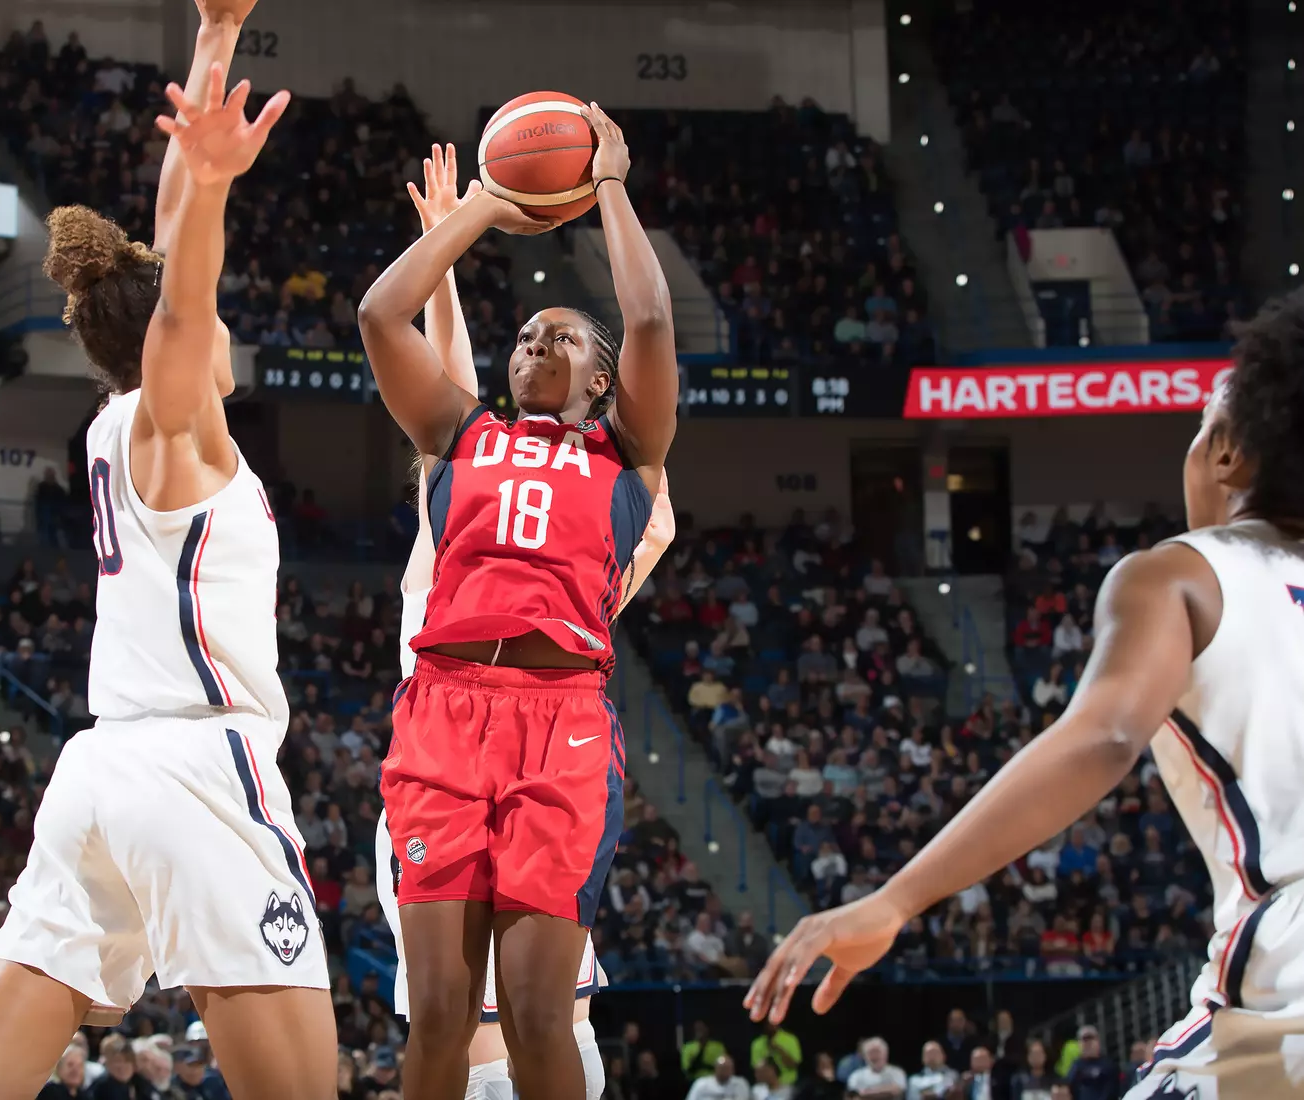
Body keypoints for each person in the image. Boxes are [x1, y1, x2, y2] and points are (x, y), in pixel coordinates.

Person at [746, 287, 1304, 1098]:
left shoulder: (1181, 574)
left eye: (1199, 428)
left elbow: (1105, 736)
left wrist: (897, 899)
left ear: (1225, 453)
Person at [0, 18, 329, 1100]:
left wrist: (216, 32)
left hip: (101, 773)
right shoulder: (171, 426)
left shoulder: (121, 421)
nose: (223, 326)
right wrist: (216, 191)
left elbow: (163, 249)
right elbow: (183, 298)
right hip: (199, 768)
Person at [361, 102, 676, 1100]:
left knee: (540, 1019)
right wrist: (480, 212)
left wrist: (610, 185)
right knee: (440, 1018)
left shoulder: (628, 457)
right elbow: (380, 317)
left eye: (562, 337)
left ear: (605, 378)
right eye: (527, 336)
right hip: (444, 716)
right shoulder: (462, 437)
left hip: (560, 723)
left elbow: (651, 320)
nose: (535, 343)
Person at [684, 1056, 750, 1100]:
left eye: (728, 1068)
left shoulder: (741, 1083)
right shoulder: (701, 1084)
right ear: (716, 1069)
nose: (726, 1071)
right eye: (723, 1068)